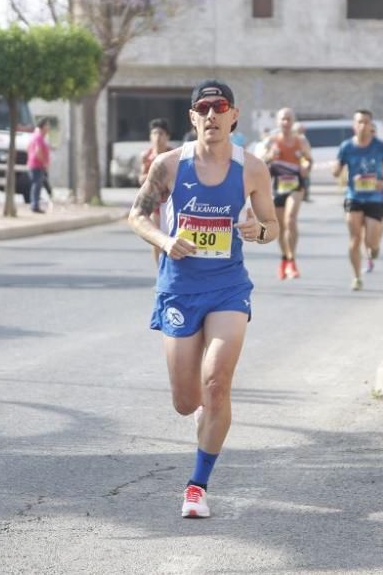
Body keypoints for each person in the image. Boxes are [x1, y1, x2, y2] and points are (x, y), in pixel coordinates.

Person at [128, 79, 279, 519]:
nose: (212, 115)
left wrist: (260, 231)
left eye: (220, 106)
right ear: (192, 117)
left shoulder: (251, 168)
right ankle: (202, 417)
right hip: (178, 288)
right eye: (203, 108)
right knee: (185, 400)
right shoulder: (169, 165)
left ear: (234, 115)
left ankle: (197, 487)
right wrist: (163, 238)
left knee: (216, 384)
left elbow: (272, 226)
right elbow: (136, 215)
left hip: (229, 286)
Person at [332, 109, 383, 290]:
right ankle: (356, 277)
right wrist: (336, 169)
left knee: (371, 243)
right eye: (359, 122)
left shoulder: (380, 146)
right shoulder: (346, 146)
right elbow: (337, 169)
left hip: (375, 198)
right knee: (354, 238)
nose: (363, 125)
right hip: (354, 197)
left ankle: (374, 248)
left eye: (366, 122)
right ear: (354, 125)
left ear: (371, 126)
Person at [264, 108, 312, 280]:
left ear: (293, 121)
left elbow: (308, 159)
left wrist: (306, 165)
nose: (286, 122)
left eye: (289, 119)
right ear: (278, 122)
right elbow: (261, 162)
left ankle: (292, 260)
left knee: (290, 219)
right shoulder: (271, 140)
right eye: (283, 119)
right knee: (281, 228)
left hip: (295, 185)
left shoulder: (301, 141)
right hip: (277, 186)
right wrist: (270, 155)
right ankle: (285, 260)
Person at [139, 118, 172, 266]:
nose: (157, 137)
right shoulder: (146, 156)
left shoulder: (173, 155)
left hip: (172, 201)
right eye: (154, 133)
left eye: (161, 133)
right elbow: (141, 178)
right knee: (156, 237)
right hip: (156, 201)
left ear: (167, 136)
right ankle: (160, 271)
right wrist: (150, 178)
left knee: (172, 236)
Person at [26, 117, 53, 213]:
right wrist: (44, 162)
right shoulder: (38, 137)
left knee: (39, 185)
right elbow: (38, 151)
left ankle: (36, 204)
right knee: (36, 185)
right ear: (43, 126)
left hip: (35, 165)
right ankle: (35, 206)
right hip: (37, 165)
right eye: (47, 125)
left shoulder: (38, 136)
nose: (49, 127)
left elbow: (28, 147)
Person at [293, 121, 314, 202]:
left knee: (305, 177)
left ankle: (304, 193)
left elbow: (306, 152)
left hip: (302, 162)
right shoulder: (297, 138)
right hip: (297, 163)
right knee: (304, 178)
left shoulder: (302, 138)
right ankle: (304, 193)